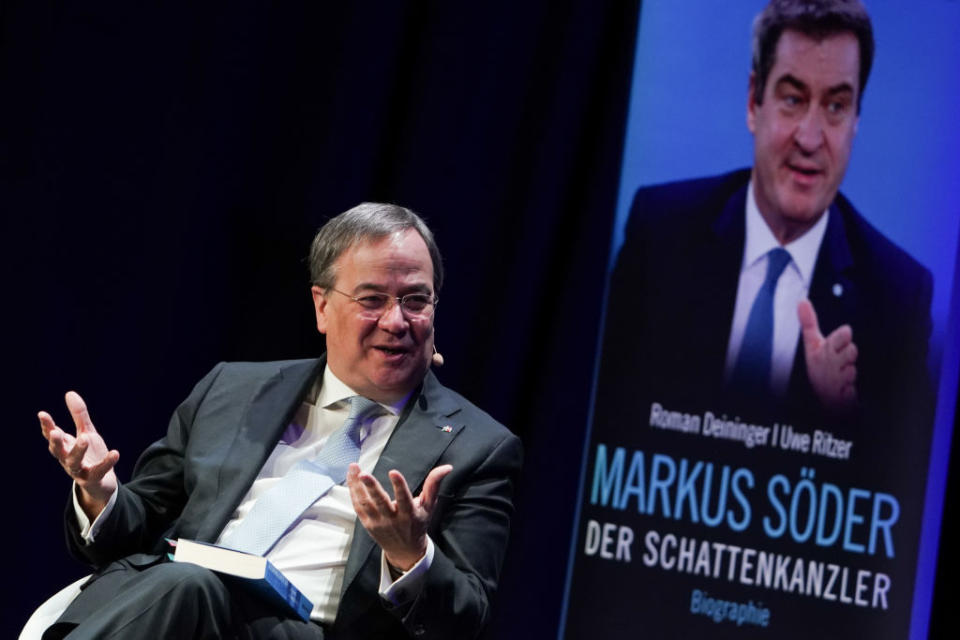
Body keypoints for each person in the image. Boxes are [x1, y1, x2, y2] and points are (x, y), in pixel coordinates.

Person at [37, 203, 522, 639]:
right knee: (185, 585)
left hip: (305, 630)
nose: (396, 321)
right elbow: (134, 531)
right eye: (372, 300)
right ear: (322, 307)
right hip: (178, 607)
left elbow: (465, 618)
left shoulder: (477, 446)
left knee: (189, 586)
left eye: (416, 300)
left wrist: (409, 555)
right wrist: (99, 495)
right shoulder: (232, 389)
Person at [596, 0, 933, 435]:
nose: (810, 139)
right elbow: (603, 405)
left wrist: (841, 413)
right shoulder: (661, 232)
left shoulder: (898, 297)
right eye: (793, 99)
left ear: (856, 121)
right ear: (754, 103)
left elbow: (901, 479)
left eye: (836, 107)